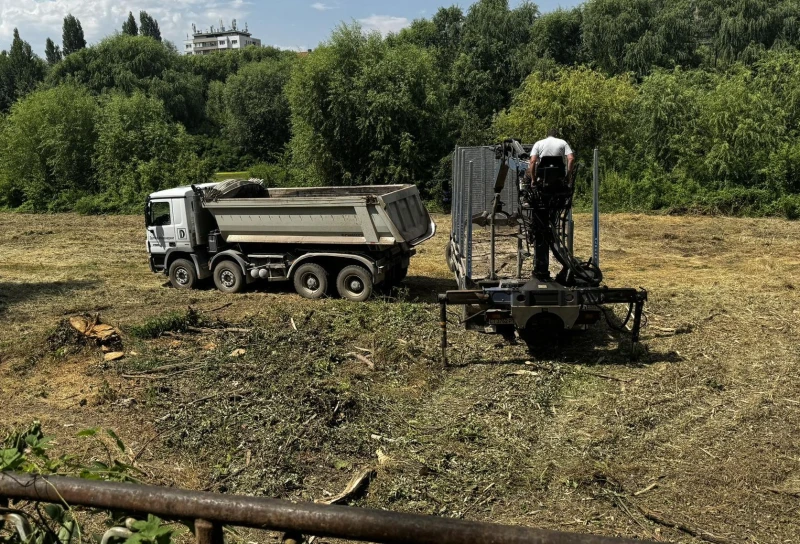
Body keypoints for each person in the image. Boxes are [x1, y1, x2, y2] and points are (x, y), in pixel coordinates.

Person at [524, 128, 575, 281]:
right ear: (556, 135)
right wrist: (567, 177)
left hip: (542, 188)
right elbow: (571, 159)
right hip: (558, 186)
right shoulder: (563, 143)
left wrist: (533, 180)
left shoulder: (539, 143)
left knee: (540, 228)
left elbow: (533, 161)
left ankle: (540, 269)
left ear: (546, 134)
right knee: (552, 227)